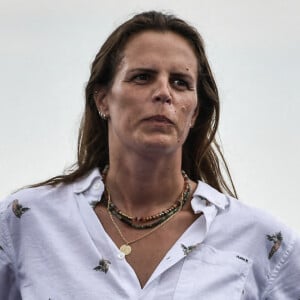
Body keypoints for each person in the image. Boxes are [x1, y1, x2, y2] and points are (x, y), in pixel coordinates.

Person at [0, 11, 299, 299]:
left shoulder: (264, 244)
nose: (163, 93)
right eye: (142, 77)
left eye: (180, 82)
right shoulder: (25, 223)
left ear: (194, 112)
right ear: (103, 99)